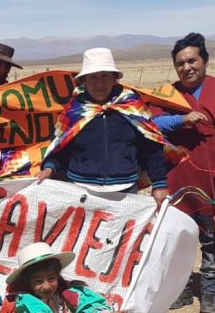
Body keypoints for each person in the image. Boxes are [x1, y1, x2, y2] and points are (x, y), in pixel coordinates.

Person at [152, 33, 215, 313]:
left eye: (192, 61)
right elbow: (149, 123)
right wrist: (180, 119)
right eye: (180, 63)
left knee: (212, 236)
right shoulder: (167, 95)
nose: (187, 67)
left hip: (213, 178)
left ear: (205, 61)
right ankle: (183, 289)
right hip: (178, 178)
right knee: (179, 239)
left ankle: (211, 290)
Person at [37, 48, 171, 204]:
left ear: (115, 79)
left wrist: (159, 183)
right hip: (81, 191)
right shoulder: (74, 111)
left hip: (125, 191)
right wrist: (49, 168)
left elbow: (151, 146)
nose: (99, 83)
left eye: (105, 76)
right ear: (84, 81)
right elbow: (61, 148)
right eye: (92, 77)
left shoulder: (132, 106)